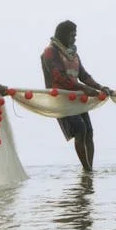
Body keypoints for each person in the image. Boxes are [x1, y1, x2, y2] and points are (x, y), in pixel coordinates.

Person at [40, 20, 111, 171]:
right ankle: (87, 169)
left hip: (76, 98)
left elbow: (83, 75)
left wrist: (99, 87)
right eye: (72, 35)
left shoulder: (73, 54)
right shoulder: (50, 52)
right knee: (80, 129)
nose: (74, 39)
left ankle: (89, 170)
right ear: (63, 35)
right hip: (61, 98)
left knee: (89, 131)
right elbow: (59, 76)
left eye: (75, 36)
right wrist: (85, 89)